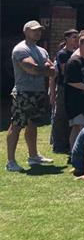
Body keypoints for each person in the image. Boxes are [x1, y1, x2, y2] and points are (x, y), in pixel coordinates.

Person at [6, 20, 56, 172]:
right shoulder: (20, 49)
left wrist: (43, 69)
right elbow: (31, 69)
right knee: (16, 125)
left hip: (38, 92)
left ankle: (33, 156)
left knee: (32, 123)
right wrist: (44, 69)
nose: (38, 32)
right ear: (26, 31)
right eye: (34, 30)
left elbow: (52, 70)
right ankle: (10, 161)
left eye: (39, 30)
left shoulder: (42, 50)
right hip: (23, 92)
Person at [50, 28, 79, 154]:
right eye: (73, 37)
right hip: (63, 87)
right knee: (60, 116)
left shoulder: (76, 53)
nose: (76, 40)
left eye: (77, 37)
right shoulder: (62, 54)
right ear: (66, 38)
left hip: (74, 88)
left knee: (70, 116)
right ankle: (58, 144)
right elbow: (63, 71)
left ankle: (68, 142)